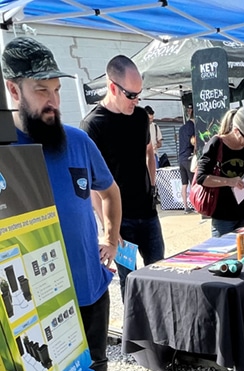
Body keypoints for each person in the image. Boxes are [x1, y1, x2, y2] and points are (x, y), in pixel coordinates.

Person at [2, 38, 130, 371]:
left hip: (88, 281)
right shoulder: (4, 145)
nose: (52, 100)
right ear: (12, 89)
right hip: (34, 298)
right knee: (45, 370)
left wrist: (111, 236)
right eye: (41, 90)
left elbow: (110, 191)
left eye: (56, 89)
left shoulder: (77, 140)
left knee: (95, 357)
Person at [81, 55, 165, 301]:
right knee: (131, 284)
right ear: (112, 87)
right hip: (120, 219)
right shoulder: (92, 125)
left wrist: (152, 186)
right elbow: (92, 186)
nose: (136, 100)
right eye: (131, 95)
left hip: (147, 212)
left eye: (140, 94)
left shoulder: (140, 118)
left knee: (160, 274)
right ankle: (137, 336)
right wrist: (109, 226)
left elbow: (149, 153)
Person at [195, 106, 244, 237]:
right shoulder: (216, 144)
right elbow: (201, 178)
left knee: (242, 255)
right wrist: (229, 181)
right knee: (224, 255)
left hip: (243, 213)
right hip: (222, 217)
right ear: (237, 131)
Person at [177, 105, 196, 212]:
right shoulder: (193, 127)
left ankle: (186, 207)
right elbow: (193, 141)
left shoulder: (182, 128)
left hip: (181, 158)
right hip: (189, 157)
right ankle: (196, 205)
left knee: (184, 184)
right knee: (193, 183)